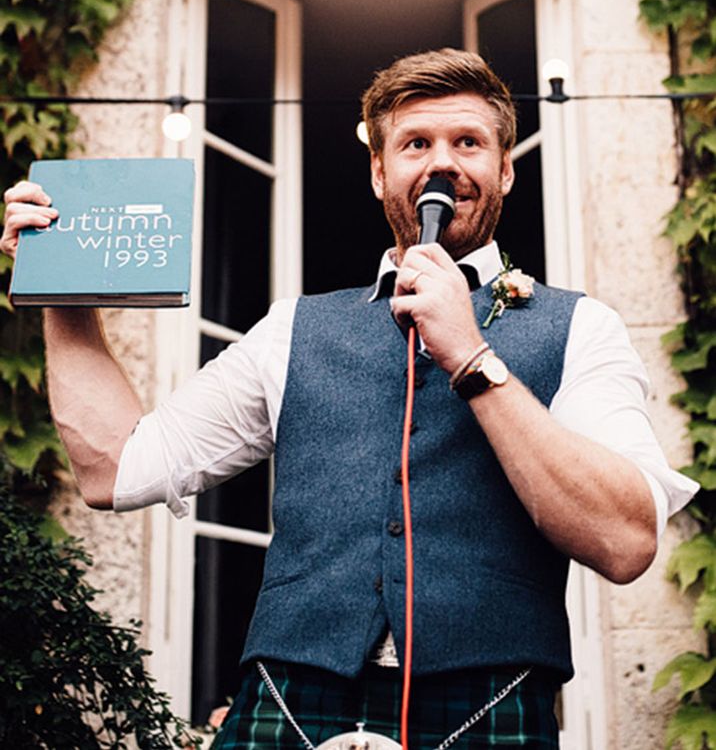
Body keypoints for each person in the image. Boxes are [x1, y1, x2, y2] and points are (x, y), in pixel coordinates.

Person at [1, 48, 697, 749]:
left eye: (469, 143)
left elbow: (625, 539)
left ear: (506, 170)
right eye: (415, 144)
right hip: (290, 697)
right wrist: (60, 287)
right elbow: (114, 467)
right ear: (379, 173)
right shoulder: (293, 329)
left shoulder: (581, 326)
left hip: (489, 701)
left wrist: (471, 356)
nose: (442, 164)